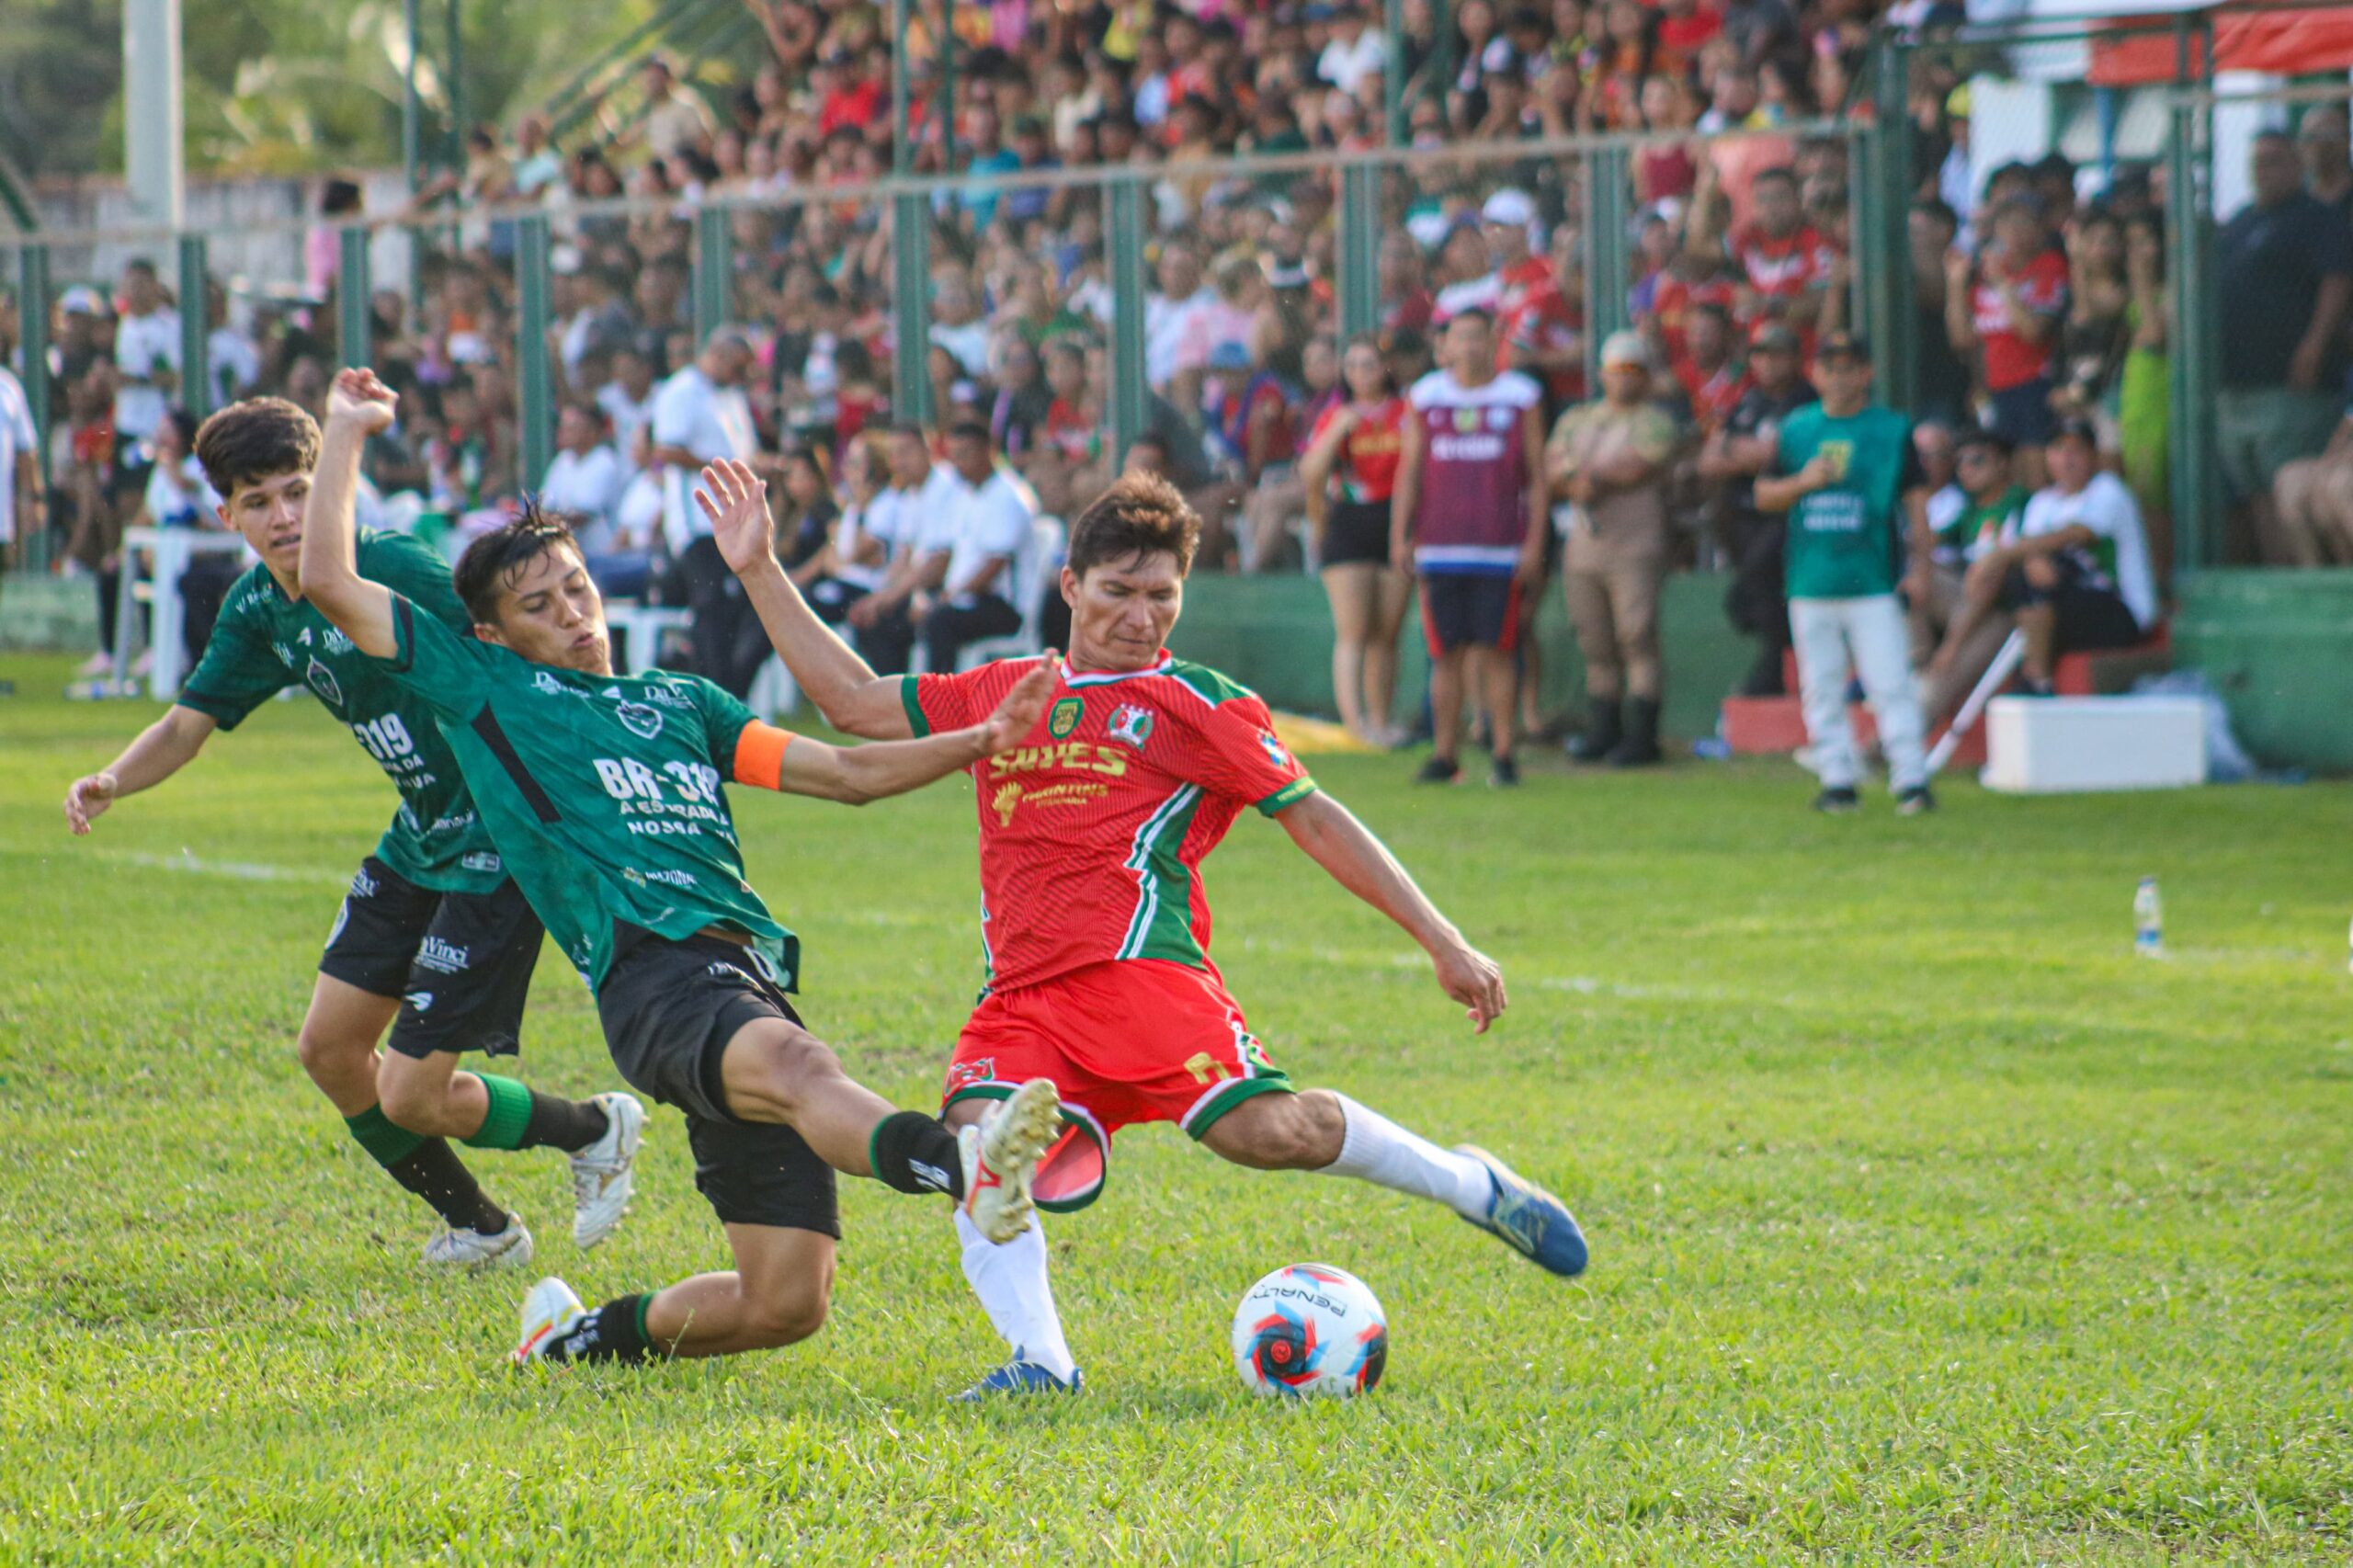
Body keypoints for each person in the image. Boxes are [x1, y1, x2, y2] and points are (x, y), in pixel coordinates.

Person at [705, 460, 1587, 1397]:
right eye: (1119, 591)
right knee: (975, 1140)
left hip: (1146, 978)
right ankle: (1040, 1362)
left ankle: (1470, 1184)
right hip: (1021, 996)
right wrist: (759, 565)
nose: (1140, 615)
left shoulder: (1199, 704)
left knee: (1263, 1132)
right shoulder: (1003, 689)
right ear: (1070, 586)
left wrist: (1443, 939)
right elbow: (852, 703)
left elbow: (1315, 815)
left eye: (1162, 595)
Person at [295, 369, 1064, 1371]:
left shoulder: (683, 702)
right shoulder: (487, 689)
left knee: (784, 1300)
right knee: (802, 1069)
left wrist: (981, 737)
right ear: (493, 632)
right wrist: (346, 430)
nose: (573, 611)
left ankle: (572, 1342)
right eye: (539, 603)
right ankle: (959, 1161)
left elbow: (844, 774)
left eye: (577, 585)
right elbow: (329, 580)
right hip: (650, 980)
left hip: (740, 973)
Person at [62, 396, 642, 1269]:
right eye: (257, 502)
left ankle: (593, 1129)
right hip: (419, 834)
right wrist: (113, 779)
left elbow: (511, 642)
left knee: (410, 1091)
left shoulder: (393, 567)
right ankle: (482, 1229)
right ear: (226, 516)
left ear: (333, 485)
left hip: (501, 837)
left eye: (299, 490)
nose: (285, 516)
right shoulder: (260, 608)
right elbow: (186, 726)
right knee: (330, 1051)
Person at [1752, 333, 1935, 815]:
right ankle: (1837, 778)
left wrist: (1922, 568)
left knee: (1890, 680)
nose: (1839, 377)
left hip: (1872, 577)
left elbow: (1917, 506)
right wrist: (1802, 482)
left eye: (1849, 367)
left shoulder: (1893, 430)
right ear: (1815, 374)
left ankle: (1911, 778)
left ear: (1867, 373)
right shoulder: (1796, 429)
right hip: (1810, 578)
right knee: (1821, 684)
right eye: (1829, 367)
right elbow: (1764, 494)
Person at [1390, 308, 1549, 788]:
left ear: (1494, 341)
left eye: (1479, 337)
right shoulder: (1426, 396)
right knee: (1446, 655)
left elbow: (1539, 478)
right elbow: (1410, 470)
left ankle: (1503, 752)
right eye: (1461, 337)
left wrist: (1535, 541)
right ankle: (1445, 755)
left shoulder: (1521, 397)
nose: (1470, 346)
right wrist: (1400, 535)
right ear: (1447, 345)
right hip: (1440, 548)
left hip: (1499, 548)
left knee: (1498, 652)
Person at [1936, 420, 2157, 698]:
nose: (2066, 459)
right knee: (2026, 580)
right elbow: (2031, 551)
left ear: (2093, 456)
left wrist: (1999, 556)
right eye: (2058, 450)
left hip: (2121, 612)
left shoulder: (2108, 489)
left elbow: (2076, 534)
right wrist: (2028, 559)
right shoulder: (2043, 501)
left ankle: (2037, 681)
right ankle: (2023, 677)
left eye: (2075, 451)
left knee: (2036, 586)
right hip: (2066, 604)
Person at [2215, 131, 2353, 564]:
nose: (2264, 170)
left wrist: (2314, 344)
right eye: (2257, 161)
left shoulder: (2319, 217)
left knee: (2287, 484)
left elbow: (2337, 281)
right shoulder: (2240, 220)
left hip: (2293, 385)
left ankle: (2310, 584)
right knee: (2255, 490)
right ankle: (2278, 579)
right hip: (2237, 384)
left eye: (2275, 159)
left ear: (2297, 164)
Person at [1547, 332, 1679, 767]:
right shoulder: (1579, 418)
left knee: (1636, 634)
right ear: (1602, 373)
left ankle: (1643, 735)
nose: (1624, 379)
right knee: (1594, 638)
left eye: (1633, 371)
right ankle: (1605, 729)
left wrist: (1590, 479)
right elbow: (1552, 465)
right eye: (1617, 370)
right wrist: (1573, 480)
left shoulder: (1655, 420)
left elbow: (1640, 463)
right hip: (1586, 543)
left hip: (1635, 541)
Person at [1299, 335, 1413, 746]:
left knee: (1388, 631)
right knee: (1354, 630)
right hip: (1349, 520)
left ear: (1385, 368)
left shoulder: (1406, 412)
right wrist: (1338, 430)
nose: (1361, 374)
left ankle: (1381, 721)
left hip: (1395, 521)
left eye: (1369, 364)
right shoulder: (1336, 414)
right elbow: (1311, 473)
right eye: (1353, 366)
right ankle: (1355, 724)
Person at [1700, 320, 1813, 697]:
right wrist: (1748, 454)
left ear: (1796, 358)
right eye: (1760, 354)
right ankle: (1775, 662)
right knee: (1751, 595)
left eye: (1777, 355)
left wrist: (1738, 450)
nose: (1767, 363)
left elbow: (1781, 453)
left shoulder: (1806, 400)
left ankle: (1774, 667)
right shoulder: (1749, 400)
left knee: (1757, 584)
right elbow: (1710, 459)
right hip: (1743, 516)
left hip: (1789, 515)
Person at [650, 328, 762, 695]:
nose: (741, 377)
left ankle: (731, 688)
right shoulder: (682, 392)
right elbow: (667, 449)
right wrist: (721, 471)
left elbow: (741, 450)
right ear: (719, 355)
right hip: (697, 521)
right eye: (739, 367)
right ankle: (713, 689)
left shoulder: (729, 395)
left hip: (735, 517)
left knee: (747, 601)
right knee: (711, 602)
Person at [1916, 426, 2029, 720]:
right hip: (1967, 608)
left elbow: (1998, 574)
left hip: (2004, 614)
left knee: (1945, 676)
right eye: (1961, 462)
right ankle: (1916, 665)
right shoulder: (1969, 509)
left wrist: (1952, 645)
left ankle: (1883, 749)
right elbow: (1929, 543)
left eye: (1977, 461)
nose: (1965, 469)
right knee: (1918, 576)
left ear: (2003, 463)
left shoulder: (2022, 501)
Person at [914, 421, 1038, 675]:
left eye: (964, 454)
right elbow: (947, 554)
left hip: (1003, 607)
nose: (957, 463)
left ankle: (942, 702)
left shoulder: (1008, 496)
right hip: (968, 598)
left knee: (940, 621)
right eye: (953, 456)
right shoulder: (966, 495)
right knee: (900, 617)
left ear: (988, 450)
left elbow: (994, 565)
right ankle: (893, 697)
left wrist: (947, 597)